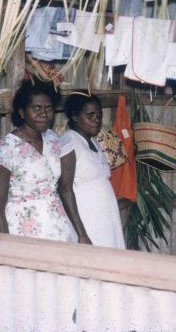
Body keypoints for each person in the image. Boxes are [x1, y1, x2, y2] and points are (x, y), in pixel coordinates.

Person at [0, 80, 89, 243]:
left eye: (48, 108)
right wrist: (6, 245)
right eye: (36, 108)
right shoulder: (7, 147)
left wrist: (82, 234)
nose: (44, 114)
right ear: (22, 112)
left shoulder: (52, 139)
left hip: (57, 224)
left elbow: (65, 189)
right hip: (23, 228)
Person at [59, 92, 125, 249]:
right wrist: (81, 234)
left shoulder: (94, 142)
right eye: (90, 115)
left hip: (104, 218)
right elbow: (65, 189)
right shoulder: (69, 142)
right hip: (86, 219)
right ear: (75, 117)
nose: (97, 120)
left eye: (99, 115)